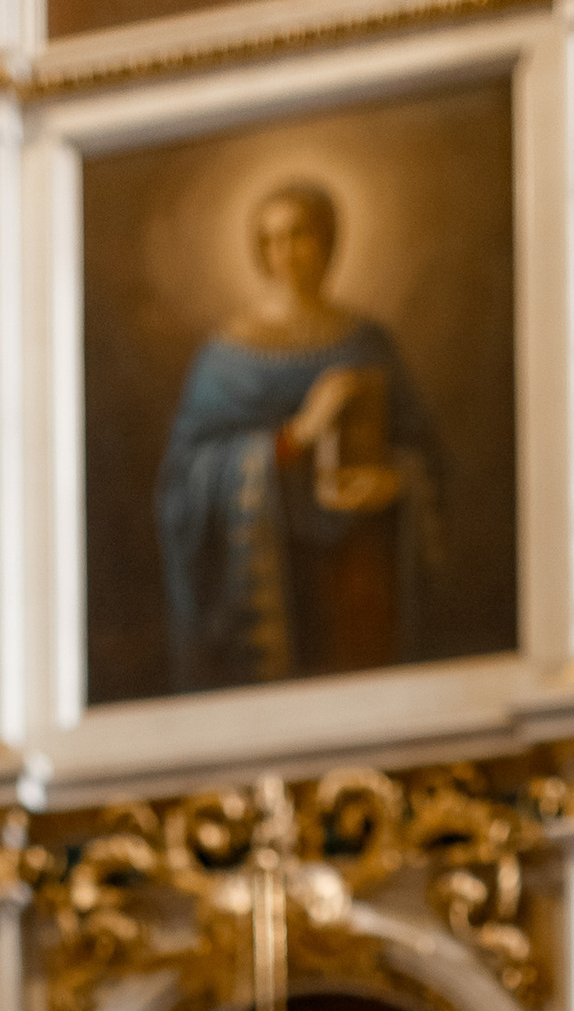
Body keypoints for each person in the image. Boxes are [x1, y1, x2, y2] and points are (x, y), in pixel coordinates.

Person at [156, 181, 438, 689]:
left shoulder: (369, 342)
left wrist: (396, 482)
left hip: (357, 570)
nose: (285, 253)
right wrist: (296, 435)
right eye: (272, 240)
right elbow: (184, 480)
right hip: (268, 580)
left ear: (328, 241)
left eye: (299, 235)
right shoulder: (224, 360)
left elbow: (423, 455)